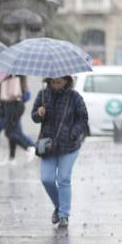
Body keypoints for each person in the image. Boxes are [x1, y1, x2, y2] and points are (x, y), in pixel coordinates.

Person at [31, 76, 89, 229]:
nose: (56, 85)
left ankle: (64, 215)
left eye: (59, 82)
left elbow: (83, 119)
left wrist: (73, 133)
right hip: (48, 145)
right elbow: (34, 117)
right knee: (47, 179)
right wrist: (39, 113)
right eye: (53, 82)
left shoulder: (74, 97)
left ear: (66, 80)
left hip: (69, 146)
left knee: (63, 178)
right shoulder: (43, 95)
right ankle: (59, 206)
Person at [0, 75, 34, 159]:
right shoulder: (21, 75)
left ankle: (29, 148)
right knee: (13, 132)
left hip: (12, 106)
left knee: (9, 132)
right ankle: (12, 157)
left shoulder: (11, 75)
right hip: (18, 105)